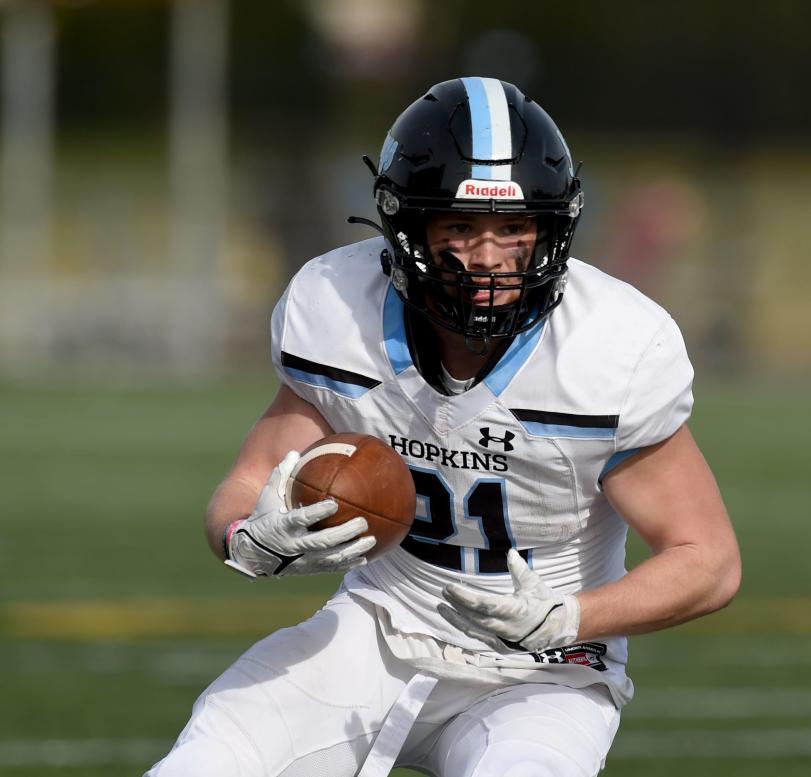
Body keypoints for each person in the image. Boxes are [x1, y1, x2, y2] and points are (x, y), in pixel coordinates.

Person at [146, 77, 741, 777]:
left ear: (551, 228)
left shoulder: (610, 347)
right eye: (460, 227)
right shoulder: (338, 308)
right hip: (377, 632)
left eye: (514, 227)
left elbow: (708, 559)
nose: (488, 257)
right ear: (408, 228)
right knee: (217, 752)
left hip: (543, 671)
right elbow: (252, 479)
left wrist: (570, 618)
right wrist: (246, 539)